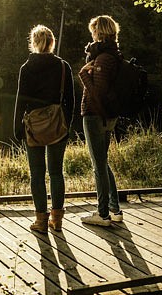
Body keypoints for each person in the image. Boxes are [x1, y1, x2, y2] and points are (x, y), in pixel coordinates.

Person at [14, 24, 75, 232]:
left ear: (34, 43)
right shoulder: (63, 66)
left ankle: (41, 221)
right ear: (51, 43)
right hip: (58, 123)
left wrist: (17, 128)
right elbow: (70, 100)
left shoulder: (27, 67)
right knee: (57, 172)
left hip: (33, 126)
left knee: (37, 174)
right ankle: (57, 220)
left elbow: (20, 101)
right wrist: (67, 123)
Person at [78, 15, 123, 226]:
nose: (92, 35)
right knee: (103, 163)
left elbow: (97, 93)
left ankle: (102, 214)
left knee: (98, 166)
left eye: (94, 31)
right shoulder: (111, 54)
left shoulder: (104, 58)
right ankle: (115, 209)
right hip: (106, 116)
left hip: (96, 115)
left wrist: (83, 75)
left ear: (100, 33)